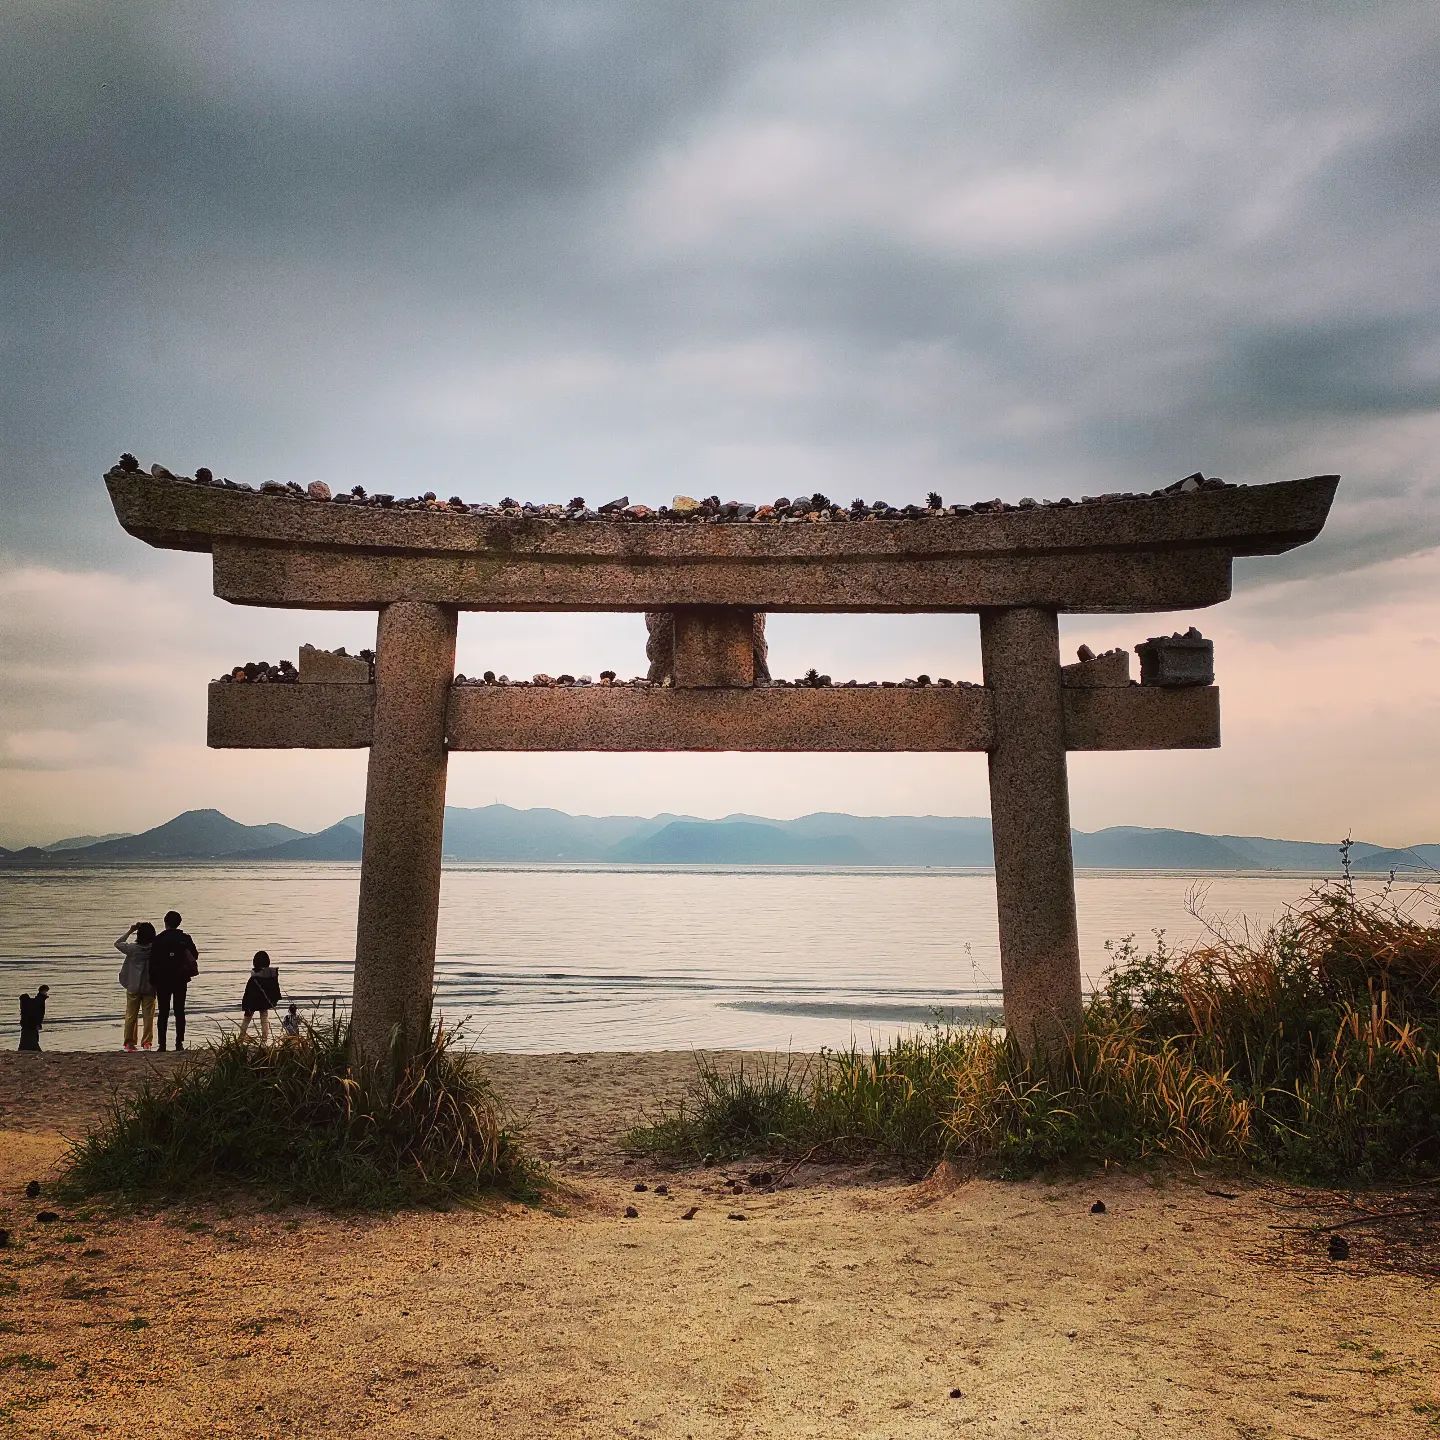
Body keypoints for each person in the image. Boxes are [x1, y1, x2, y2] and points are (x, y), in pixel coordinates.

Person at [148, 910, 199, 1052]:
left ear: (165, 923)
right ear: (179, 923)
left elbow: (152, 962)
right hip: (180, 978)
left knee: (163, 1012)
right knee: (179, 1011)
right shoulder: (185, 938)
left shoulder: (158, 939)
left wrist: (152, 980)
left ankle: (162, 1044)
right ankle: (179, 1043)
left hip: (162, 980)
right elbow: (194, 955)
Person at [115, 921, 157, 1052]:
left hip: (133, 985)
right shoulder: (154, 949)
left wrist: (130, 931)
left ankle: (129, 1043)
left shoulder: (132, 949)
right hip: (149, 986)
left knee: (131, 1015)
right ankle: (147, 1042)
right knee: (148, 1016)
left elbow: (118, 943)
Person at [238, 951, 282, 1043]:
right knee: (264, 1017)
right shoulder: (271, 975)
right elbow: (275, 990)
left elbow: (248, 993)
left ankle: (240, 1039)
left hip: (253, 1002)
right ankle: (264, 1040)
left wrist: (246, 1005)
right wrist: (274, 1000)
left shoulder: (254, 977)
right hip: (264, 1001)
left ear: (255, 962)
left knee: (246, 1019)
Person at [18, 985, 49, 1051]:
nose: (46, 993)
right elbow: (37, 1014)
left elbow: (38, 1014)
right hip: (31, 1024)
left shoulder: (34, 1002)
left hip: (29, 1024)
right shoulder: (38, 1001)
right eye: (45, 991)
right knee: (31, 1038)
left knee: (29, 1038)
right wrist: (37, 1024)